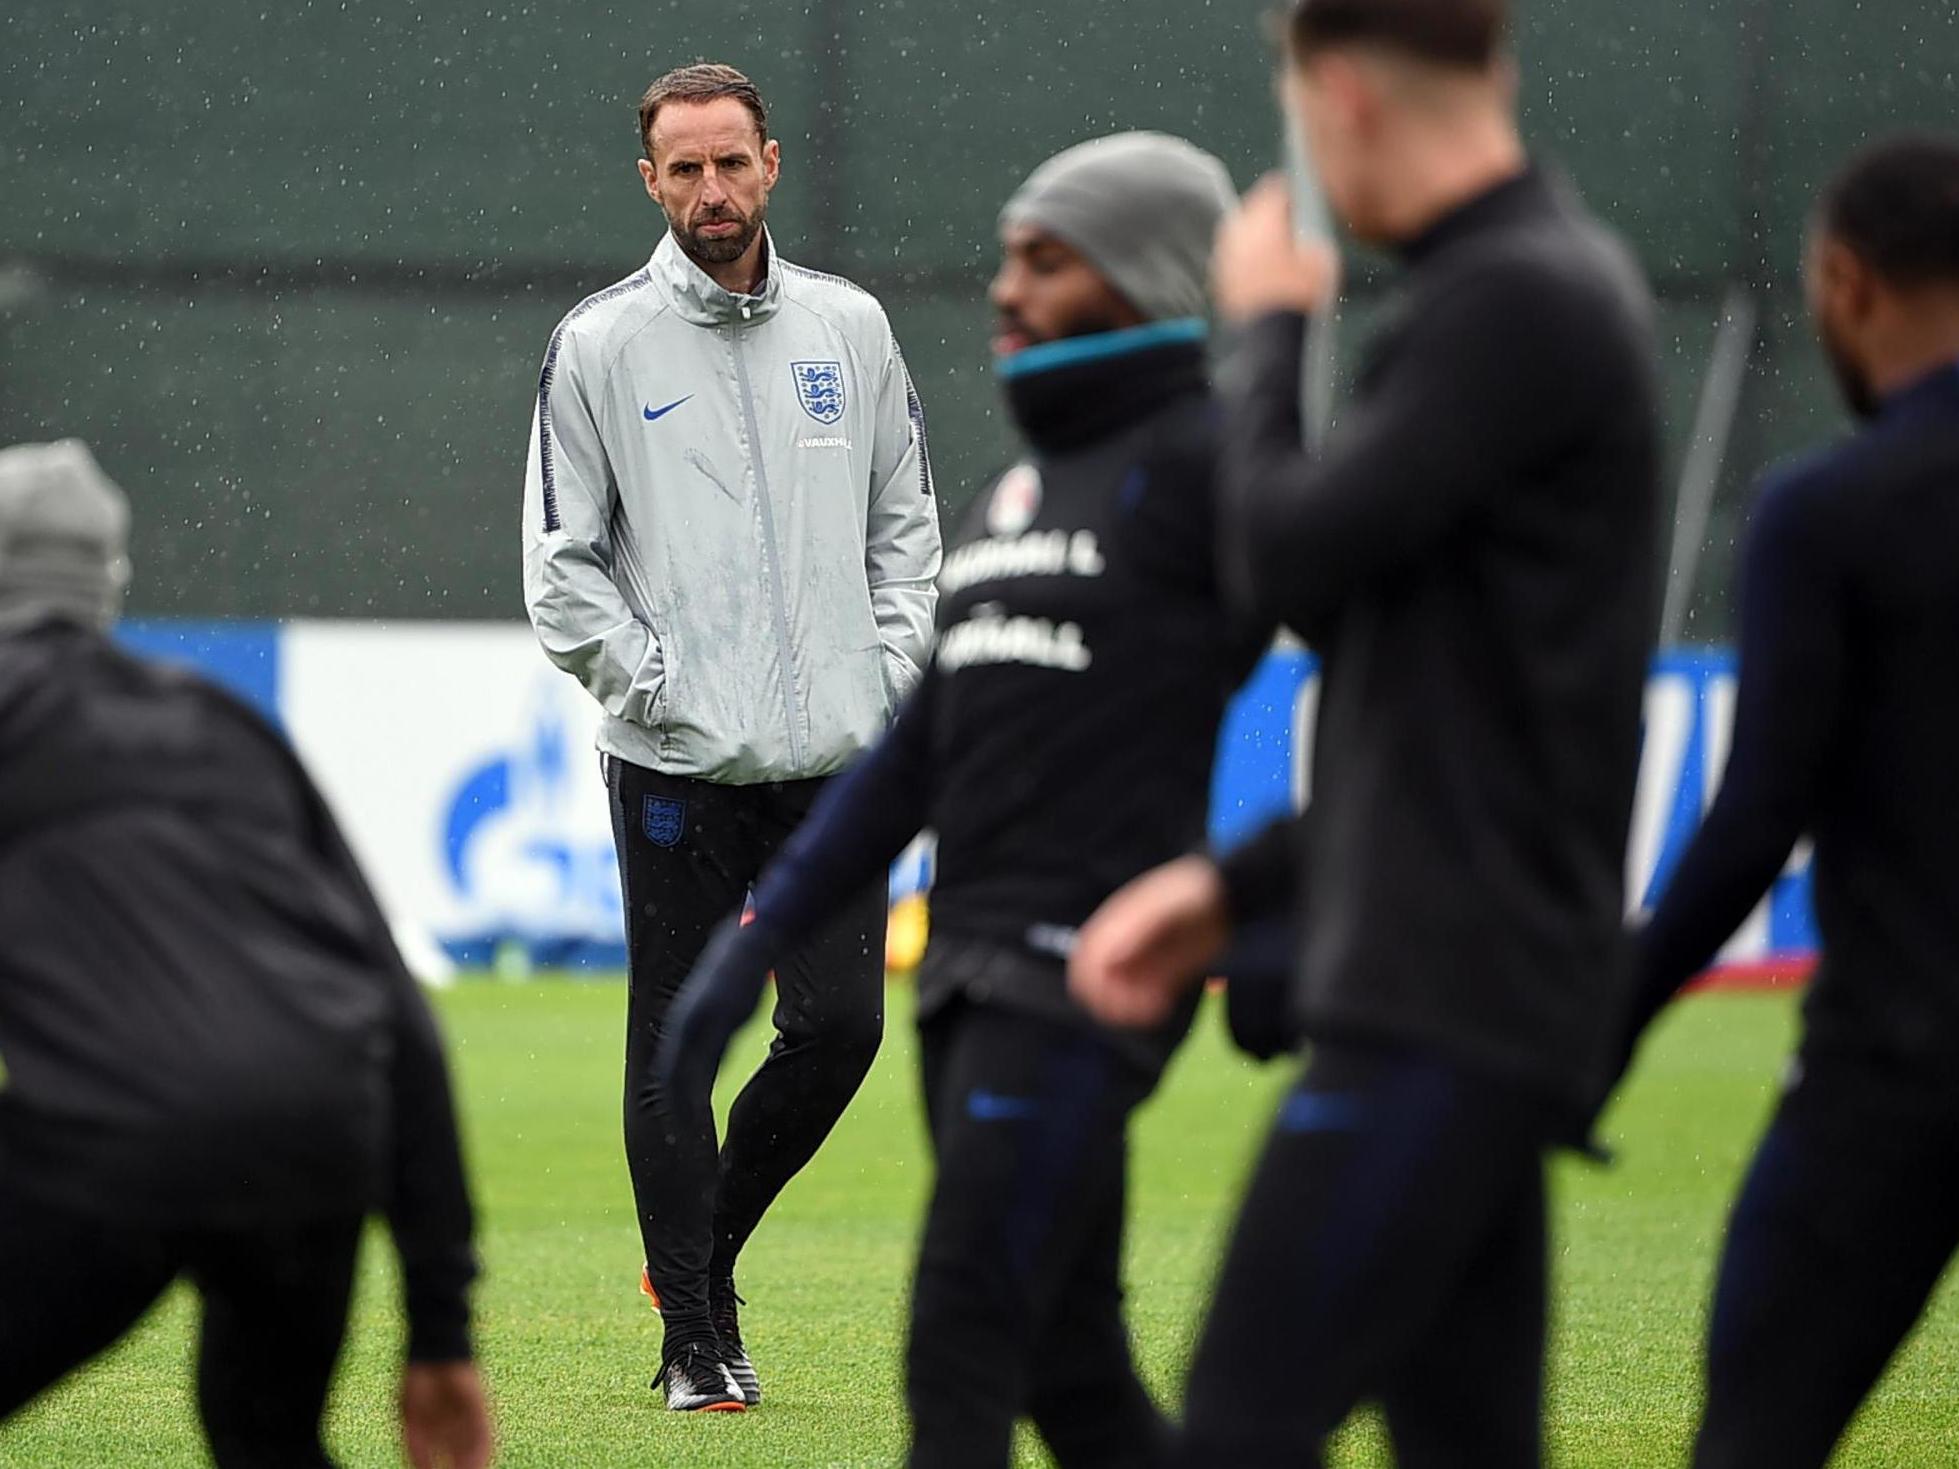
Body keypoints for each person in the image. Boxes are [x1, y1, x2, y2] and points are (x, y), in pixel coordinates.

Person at [1068, 1, 1662, 1463]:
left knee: (1235, 1431)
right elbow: (1434, 702)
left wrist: (1265, 329)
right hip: (1467, 997)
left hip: (1436, 1009)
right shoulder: (1527, 291)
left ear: (1334, 98)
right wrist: (1232, 889)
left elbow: (1279, 556)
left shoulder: (1511, 300)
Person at [654, 134, 1254, 1466]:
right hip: (969, 991)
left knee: (959, 1354)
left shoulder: (1212, 470)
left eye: (1044, 262)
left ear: (1142, 277)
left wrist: (1259, 909)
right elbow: (905, 774)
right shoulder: (1012, 498)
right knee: (1075, 1375)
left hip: (1079, 987)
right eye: (1004, 258)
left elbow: (1408, 709)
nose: (1003, 289)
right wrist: (735, 969)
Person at [519, 62, 941, 1410]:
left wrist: (884, 677)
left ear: (770, 164)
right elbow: (558, 566)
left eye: (729, 162)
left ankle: (694, 1259)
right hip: (674, 768)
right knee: (674, 1050)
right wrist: (656, 687)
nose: (710, 188)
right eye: (682, 169)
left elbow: (906, 530)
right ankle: (695, 1342)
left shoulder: (852, 328)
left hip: (833, 761)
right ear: (650, 182)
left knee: (841, 1030)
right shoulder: (598, 343)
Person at [0, 441, 490, 1469]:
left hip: (116, 1135)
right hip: (314, 1131)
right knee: (266, 1436)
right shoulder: (223, 725)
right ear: (110, 581)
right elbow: (399, 1012)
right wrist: (441, 1331)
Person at [1616, 134, 1959, 1469]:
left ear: (1840, 280)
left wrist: (1608, 1021)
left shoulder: (1828, 510)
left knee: (1753, 1437)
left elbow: (1757, 814)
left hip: (1889, 1072)